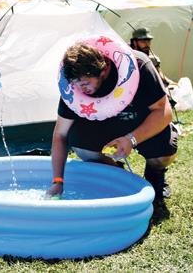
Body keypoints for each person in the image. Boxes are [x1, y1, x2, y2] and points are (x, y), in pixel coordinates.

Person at [47, 41, 179, 217]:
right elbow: (60, 135)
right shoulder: (74, 89)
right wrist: (57, 181)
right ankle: (119, 176)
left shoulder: (138, 65)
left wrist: (131, 139)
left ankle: (156, 180)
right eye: (76, 83)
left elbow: (164, 112)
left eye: (85, 82)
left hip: (140, 120)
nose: (80, 89)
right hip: (102, 125)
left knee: (164, 153)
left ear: (104, 69)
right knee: (81, 145)